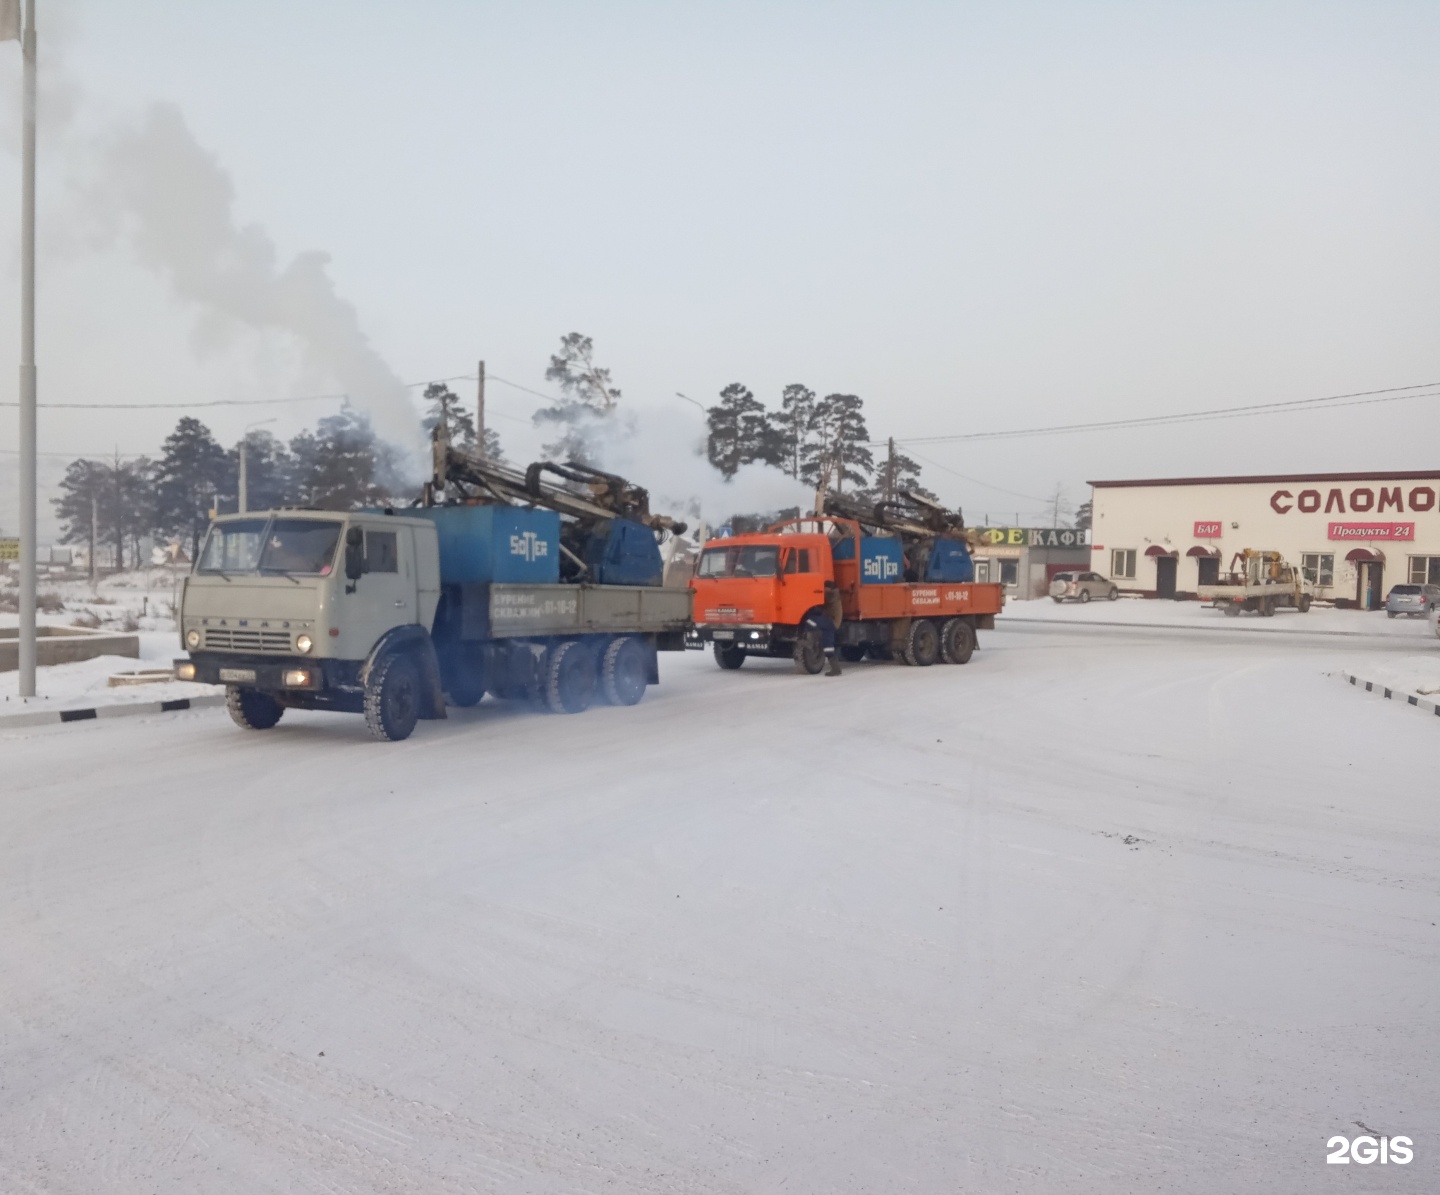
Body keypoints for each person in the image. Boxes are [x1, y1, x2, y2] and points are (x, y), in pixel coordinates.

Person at [802, 580, 846, 676]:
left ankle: (809, 640)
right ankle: (836, 669)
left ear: (829, 588)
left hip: (830, 621)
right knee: (828, 647)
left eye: (824, 587)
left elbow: (822, 600)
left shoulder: (832, 595)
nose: (823, 589)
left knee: (809, 620)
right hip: (832, 623)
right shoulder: (834, 594)